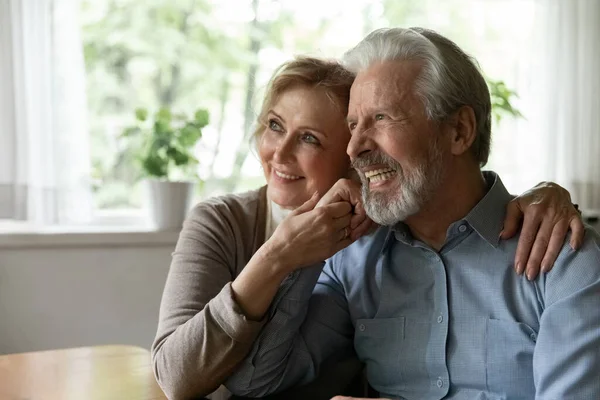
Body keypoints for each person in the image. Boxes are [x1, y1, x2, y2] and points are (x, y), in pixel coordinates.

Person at [151, 55, 584, 400]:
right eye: (274, 125)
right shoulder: (346, 261)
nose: (359, 144)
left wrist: (550, 191)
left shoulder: (558, 256)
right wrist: (285, 254)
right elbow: (236, 380)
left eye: (311, 138)